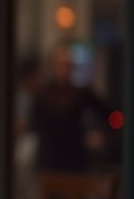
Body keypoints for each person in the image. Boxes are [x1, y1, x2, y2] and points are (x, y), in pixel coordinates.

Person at [31, 45, 111, 174]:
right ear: (53, 66)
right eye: (60, 64)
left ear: (72, 67)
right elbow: (34, 126)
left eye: (67, 64)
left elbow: (112, 115)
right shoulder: (43, 95)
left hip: (75, 161)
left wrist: (104, 135)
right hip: (48, 161)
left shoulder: (82, 93)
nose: (64, 69)